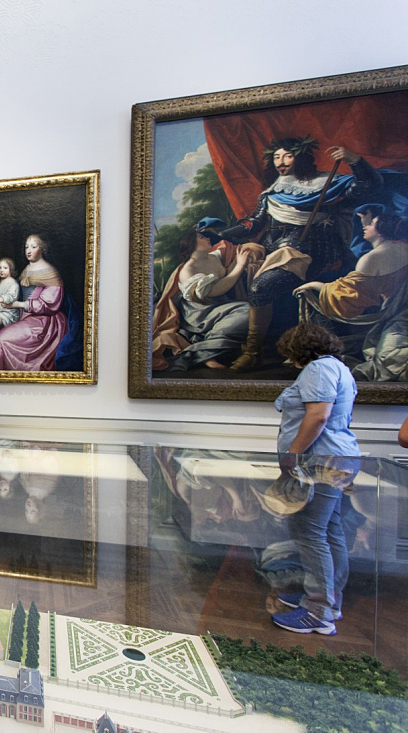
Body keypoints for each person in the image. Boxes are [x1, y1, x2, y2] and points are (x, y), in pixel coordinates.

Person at [222, 137, 381, 371]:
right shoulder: (274, 190)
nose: (281, 162)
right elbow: (255, 222)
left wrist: (355, 161)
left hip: (309, 253)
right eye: (276, 157)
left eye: (287, 155)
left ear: (301, 156)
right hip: (275, 252)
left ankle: (252, 352)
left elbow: (368, 187)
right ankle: (260, 348)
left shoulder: (326, 184)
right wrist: (223, 234)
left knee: (260, 287)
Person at [269, 323, 360, 635]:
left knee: (308, 531)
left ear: (298, 350)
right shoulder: (339, 368)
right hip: (336, 458)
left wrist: (293, 454)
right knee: (329, 529)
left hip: (320, 461)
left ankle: (318, 611)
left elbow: (318, 415)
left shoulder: (318, 369)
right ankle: (329, 601)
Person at [294, 204, 408, 380]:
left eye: (371, 224)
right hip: (399, 308)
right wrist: (368, 221)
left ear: (380, 231)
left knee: (316, 299)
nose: (365, 226)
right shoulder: (402, 247)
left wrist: (316, 285)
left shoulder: (371, 259)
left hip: (389, 315)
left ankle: (326, 351)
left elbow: (345, 296)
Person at [151, 218, 252, 370]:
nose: (207, 238)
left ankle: (207, 351)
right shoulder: (188, 270)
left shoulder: (214, 257)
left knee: (249, 310)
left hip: (217, 306)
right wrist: (240, 265)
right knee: (246, 311)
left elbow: (227, 275)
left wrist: (239, 261)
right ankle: (204, 353)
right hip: (198, 314)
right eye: (202, 237)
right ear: (192, 244)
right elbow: (216, 290)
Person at [0, 234, 69, 371]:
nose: (29, 250)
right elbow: (13, 294)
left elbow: (48, 305)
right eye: (27, 247)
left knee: (2, 338)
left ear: (42, 249)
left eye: (33, 247)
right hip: (22, 314)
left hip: (42, 321)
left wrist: (18, 305)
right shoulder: (27, 269)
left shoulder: (51, 273)